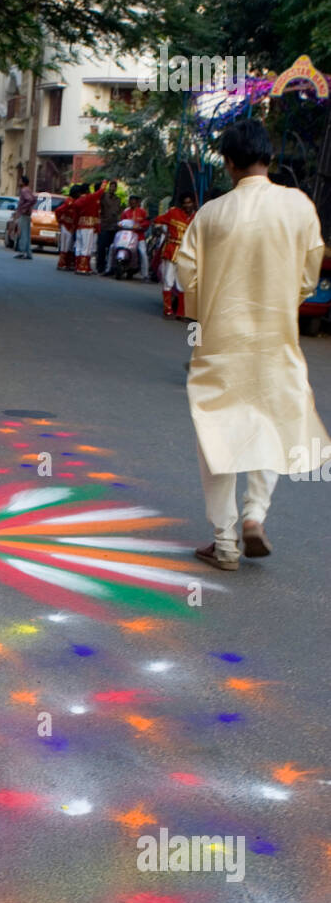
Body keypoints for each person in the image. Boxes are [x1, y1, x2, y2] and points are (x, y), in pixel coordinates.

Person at [177, 117, 330, 570]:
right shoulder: (299, 206)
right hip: (275, 341)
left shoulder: (211, 214)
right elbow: (308, 273)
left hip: (220, 344)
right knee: (270, 426)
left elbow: (187, 275)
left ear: (227, 163)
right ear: (269, 158)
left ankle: (223, 542)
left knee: (216, 435)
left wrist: (208, 308)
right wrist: (282, 298)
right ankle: (255, 516)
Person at [154, 194, 196, 317]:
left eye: (190, 202)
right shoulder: (173, 213)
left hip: (188, 254)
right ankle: (167, 309)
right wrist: (162, 230)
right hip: (172, 250)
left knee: (183, 282)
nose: (187, 205)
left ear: (193, 203)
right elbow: (157, 220)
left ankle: (181, 312)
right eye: (185, 203)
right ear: (182, 204)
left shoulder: (197, 217)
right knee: (168, 279)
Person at [109, 194, 150, 278]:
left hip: (139, 237)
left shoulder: (142, 212)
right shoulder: (126, 212)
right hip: (126, 236)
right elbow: (121, 221)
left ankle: (145, 274)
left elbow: (146, 222)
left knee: (143, 253)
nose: (132, 204)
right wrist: (119, 225)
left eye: (134, 202)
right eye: (130, 202)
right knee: (112, 247)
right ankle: (109, 268)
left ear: (137, 203)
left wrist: (139, 225)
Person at [72, 181, 102, 274]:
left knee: (79, 246)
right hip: (88, 226)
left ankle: (77, 266)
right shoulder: (90, 198)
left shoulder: (77, 201)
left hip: (79, 226)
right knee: (87, 247)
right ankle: (83, 267)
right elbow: (100, 192)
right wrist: (105, 182)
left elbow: (75, 216)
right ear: (87, 190)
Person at [97, 179, 123, 275]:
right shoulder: (104, 197)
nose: (113, 188)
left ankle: (110, 267)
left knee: (111, 248)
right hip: (104, 225)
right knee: (102, 247)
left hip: (113, 226)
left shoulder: (118, 200)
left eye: (114, 187)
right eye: (111, 186)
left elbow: (118, 212)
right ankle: (100, 266)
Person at [55, 184, 80, 270]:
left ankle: (66, 263)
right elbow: (58, 210)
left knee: (69, 245)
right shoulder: (69, 202)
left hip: (71, 226)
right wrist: (60, 220)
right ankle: (62, 263)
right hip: (66, 225)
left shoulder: (74, 201)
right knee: (65, 245)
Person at [14, 176, 36, 259]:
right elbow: (33, 199)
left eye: (20, 181)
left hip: (24, 214)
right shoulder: (28, 189)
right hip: (27, 214)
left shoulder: (24, 190)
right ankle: (28, 253)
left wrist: (23, 208)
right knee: (26, 233)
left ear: (23, 182)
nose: (19, 182)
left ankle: (22, 252)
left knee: (22, 233)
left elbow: (30, 200)